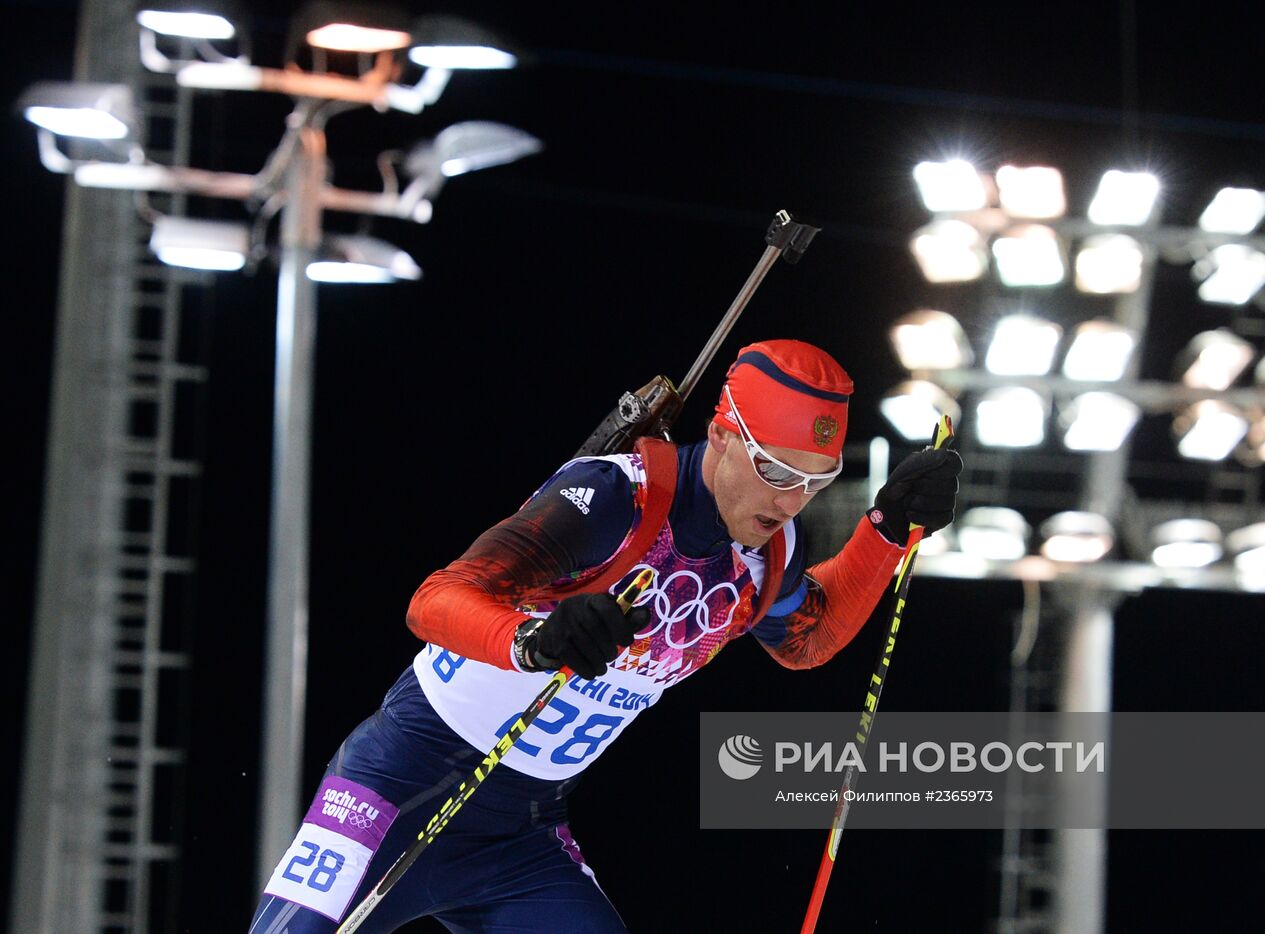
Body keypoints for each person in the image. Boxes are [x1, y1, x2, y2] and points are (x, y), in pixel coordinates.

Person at [250, 340, 962, 932]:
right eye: (774, 469)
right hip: (399, 787)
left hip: (520, 832)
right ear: (719, 436)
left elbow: (804, 640)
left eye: (816, 477)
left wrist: (885, 535)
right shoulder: (616, 497)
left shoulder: (764, 555)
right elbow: (435, 600)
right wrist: (536, 639)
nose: (790, 498)